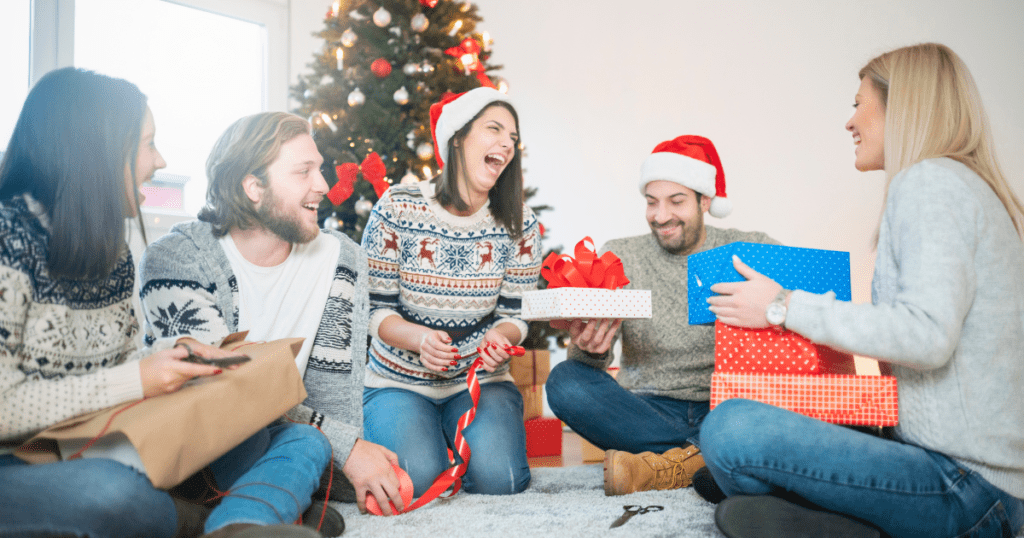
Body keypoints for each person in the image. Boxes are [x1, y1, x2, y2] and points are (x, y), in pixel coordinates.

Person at [700, 43, 1024, 538]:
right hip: (973, 480)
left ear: (903, 107)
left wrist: (782, 306)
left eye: (858, 103)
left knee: (730, 430)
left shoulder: (931, 182)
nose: (849, 122)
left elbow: (927, 336)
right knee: (753, 434)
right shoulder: (960, 185)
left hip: (966, 491)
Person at [0, 68, 328, 538]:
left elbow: (116, 366)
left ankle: (239, 520)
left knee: (295, 438)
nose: (160, 160)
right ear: (96, 152)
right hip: (22, 462)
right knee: (110, 493)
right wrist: (139, 377)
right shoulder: (7, 239)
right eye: (148, 144)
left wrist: (169, 359)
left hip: (102, 442)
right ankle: (235, 519)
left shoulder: (111, 255)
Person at [138, 111, 403, 520]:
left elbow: (333, 398)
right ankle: (262, 511)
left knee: (314, 466)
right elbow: (223, 391)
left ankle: (248, 517)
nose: (324, 185)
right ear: (253, 188)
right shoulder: (177, 258)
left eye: (320, 168)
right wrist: (346, 447)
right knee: (309, 465)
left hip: (285, 441)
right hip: (197, 445)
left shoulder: (341, 260)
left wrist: (349, 455)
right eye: (304, 172)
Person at [544, 135, 779, 496]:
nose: (661, 215)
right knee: (564, 382)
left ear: (705, 200)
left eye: (676, 201)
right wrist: (590, 349)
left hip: (726, 406)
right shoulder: (621, 255)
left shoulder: (751, 248)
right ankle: (701, 459)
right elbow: (586, 368)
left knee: (765, 416)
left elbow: (795, 320)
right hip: (644, 410)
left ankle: (668, 464)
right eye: (651, 202)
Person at [359, 87, 541, 497]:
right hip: (398, 381)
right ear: (457, 137)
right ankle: (421, 437)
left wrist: (502, 337)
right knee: (414, 483)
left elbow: (516, 314)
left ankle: (453, 439)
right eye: (494, 129)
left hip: (480, 381)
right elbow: (374, 310)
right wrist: (420, 339)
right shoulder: (397, 207)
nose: (506, 144)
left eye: (512, 138)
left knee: (504, 482)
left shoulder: (520, 224)